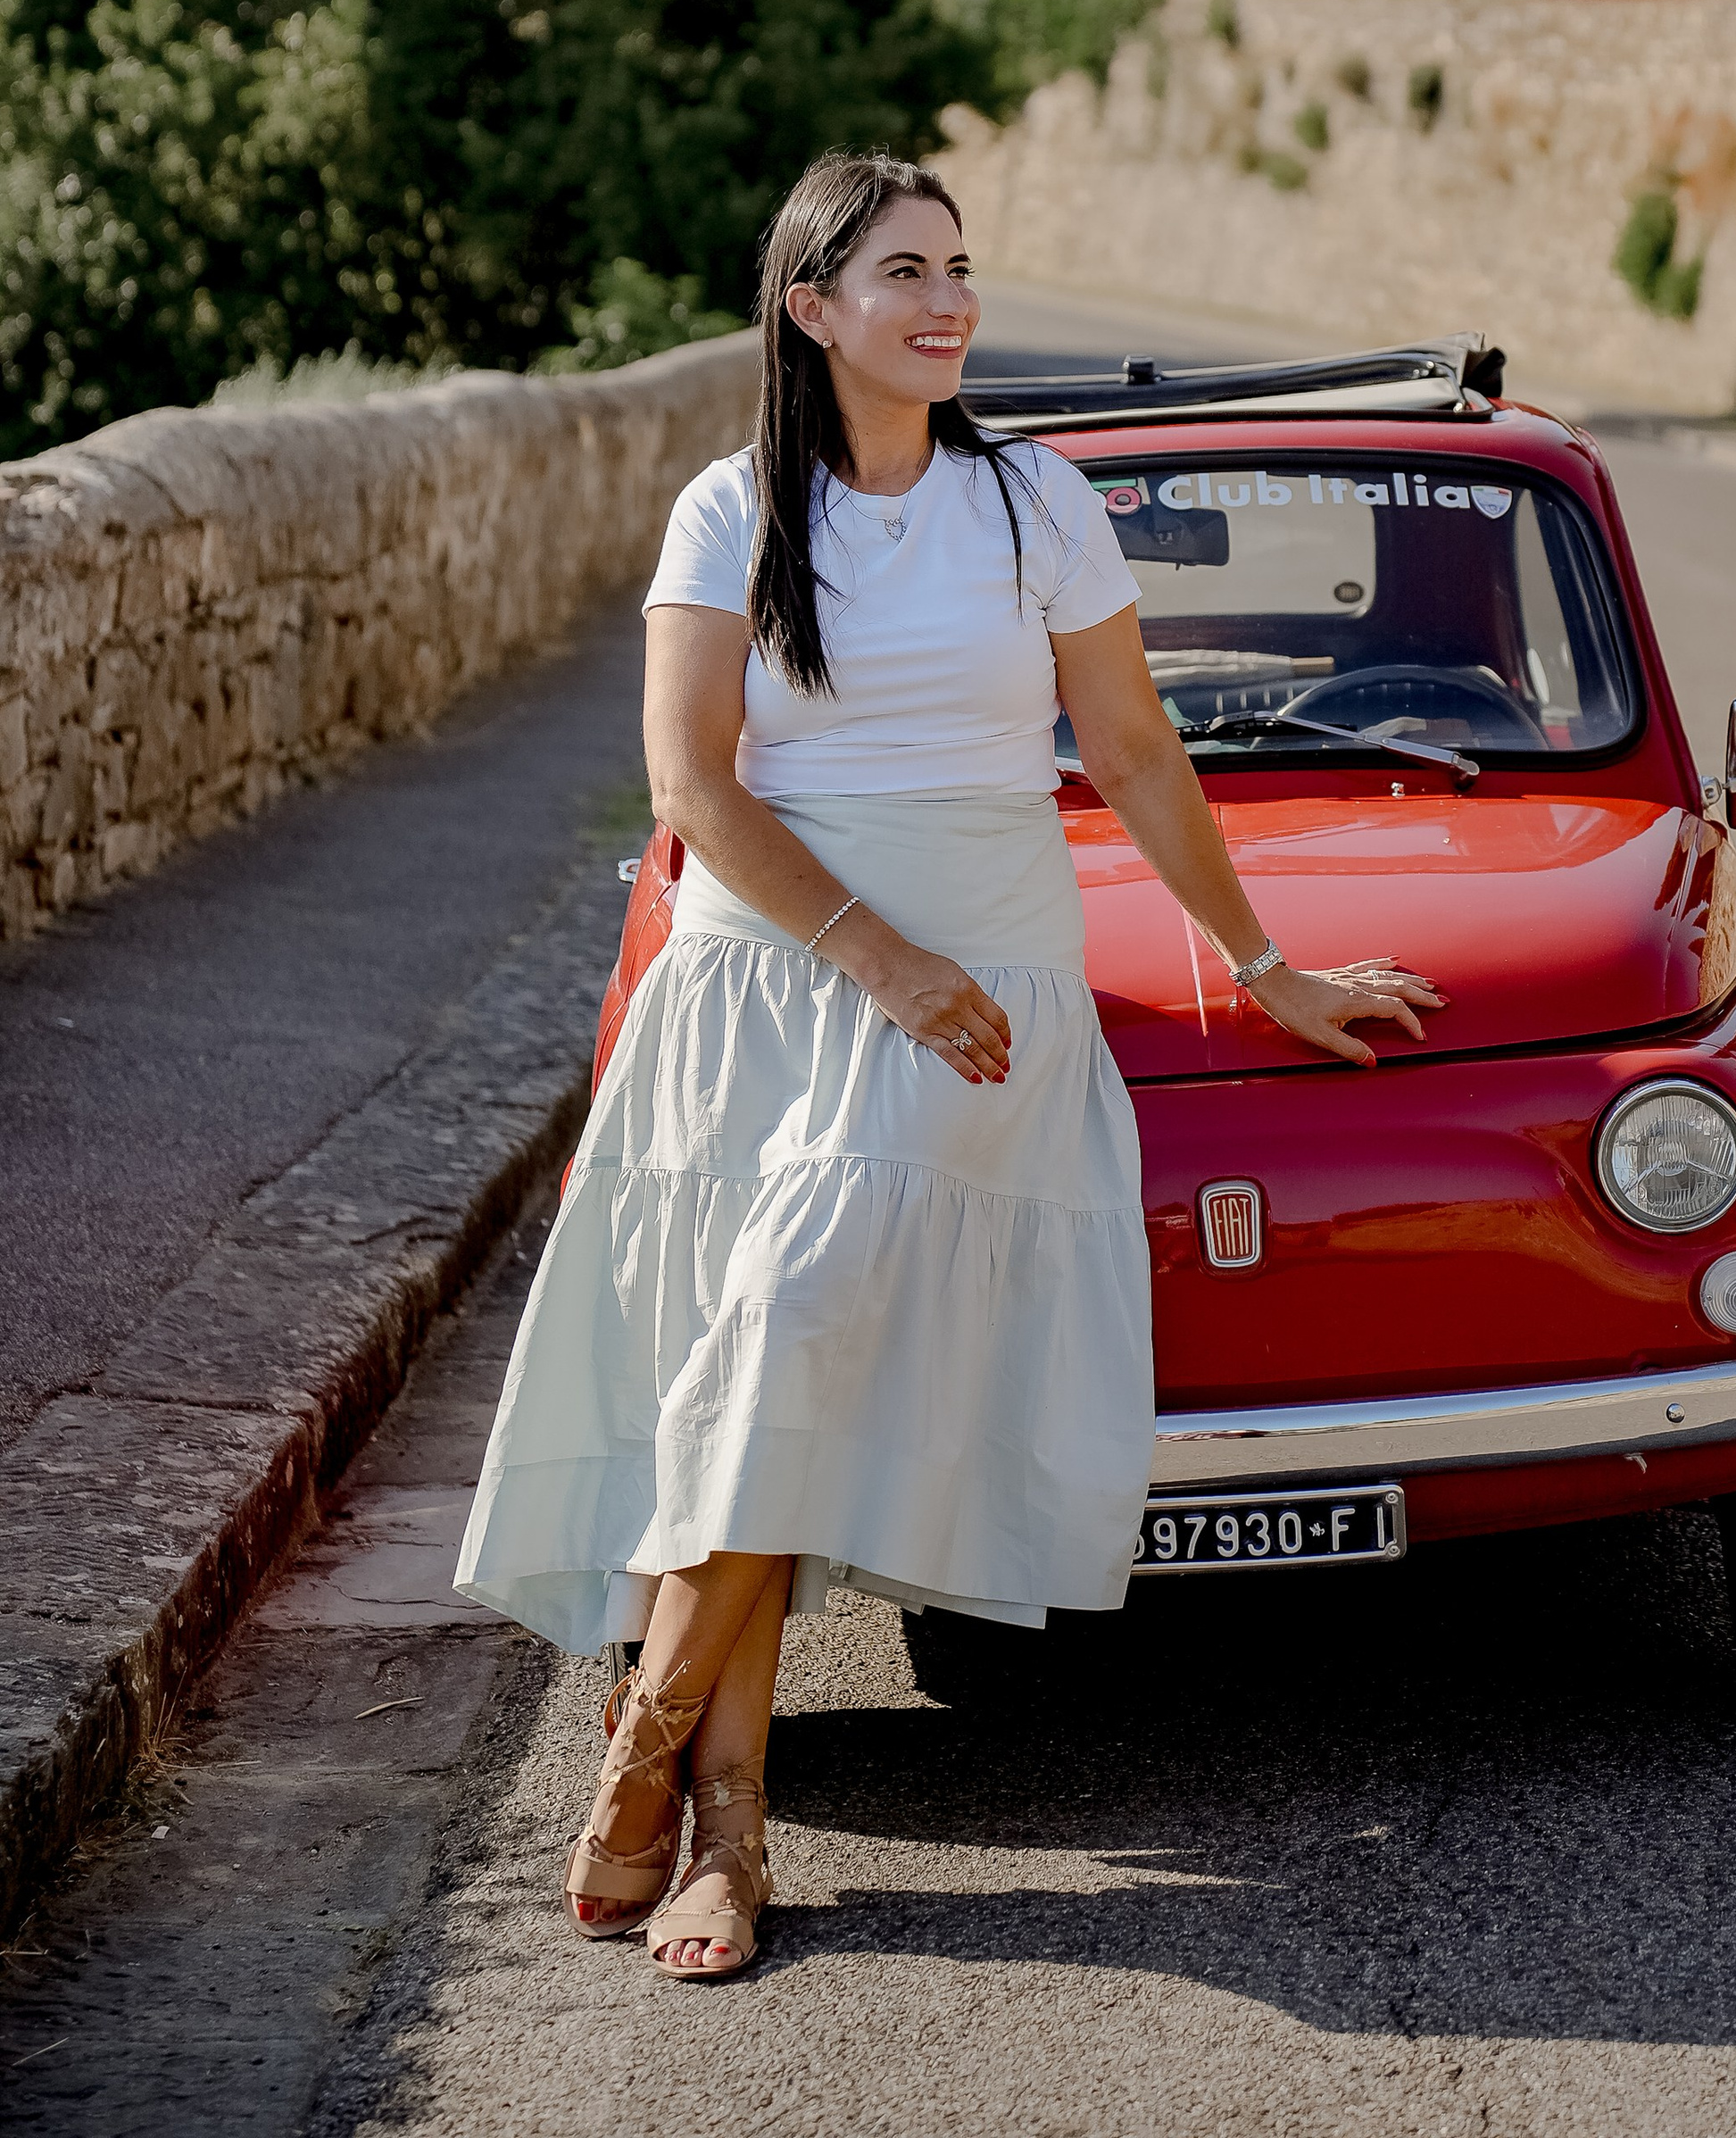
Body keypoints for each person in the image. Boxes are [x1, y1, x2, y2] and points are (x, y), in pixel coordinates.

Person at [455, 151, 1439, 1979]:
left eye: (960, 268)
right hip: (773, 977)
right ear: (808, 307)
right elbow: (693, 788)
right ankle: (724, 1839)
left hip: (982, 980)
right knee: (769, 1361)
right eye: (903, 270)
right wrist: (873, 961)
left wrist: (1261, 962)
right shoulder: (725, 511)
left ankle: (645, 1750)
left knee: (790, 1319)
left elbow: (1134, 754)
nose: (948, 300)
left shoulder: (1037, 506)